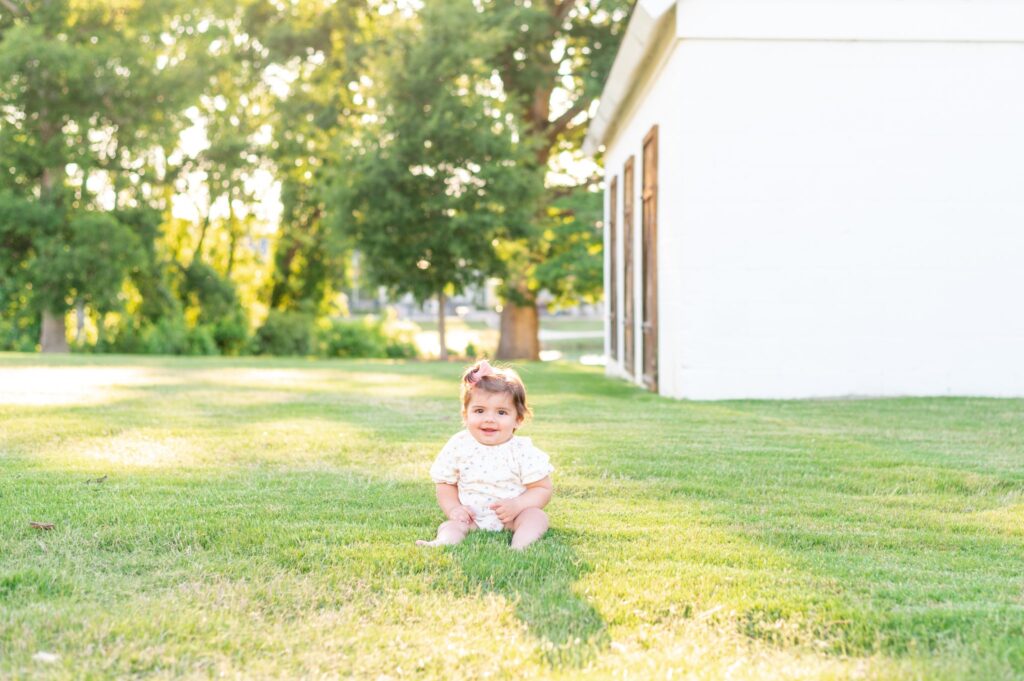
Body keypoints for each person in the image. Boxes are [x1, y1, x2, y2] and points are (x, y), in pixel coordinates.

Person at [416, 359, 553, 550]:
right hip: (471, 517)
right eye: (479, 411)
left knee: (537, 517)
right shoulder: (459, 445)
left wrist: (518, 505)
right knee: (450, 526)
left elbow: (542, 488)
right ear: (466, 415)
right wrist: (455, 509)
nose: (489, 419)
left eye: (501, 412)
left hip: (512, 517)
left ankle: (520, 546)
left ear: (518, 419)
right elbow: (446, 484)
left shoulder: (523, 451)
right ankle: (442, 542)